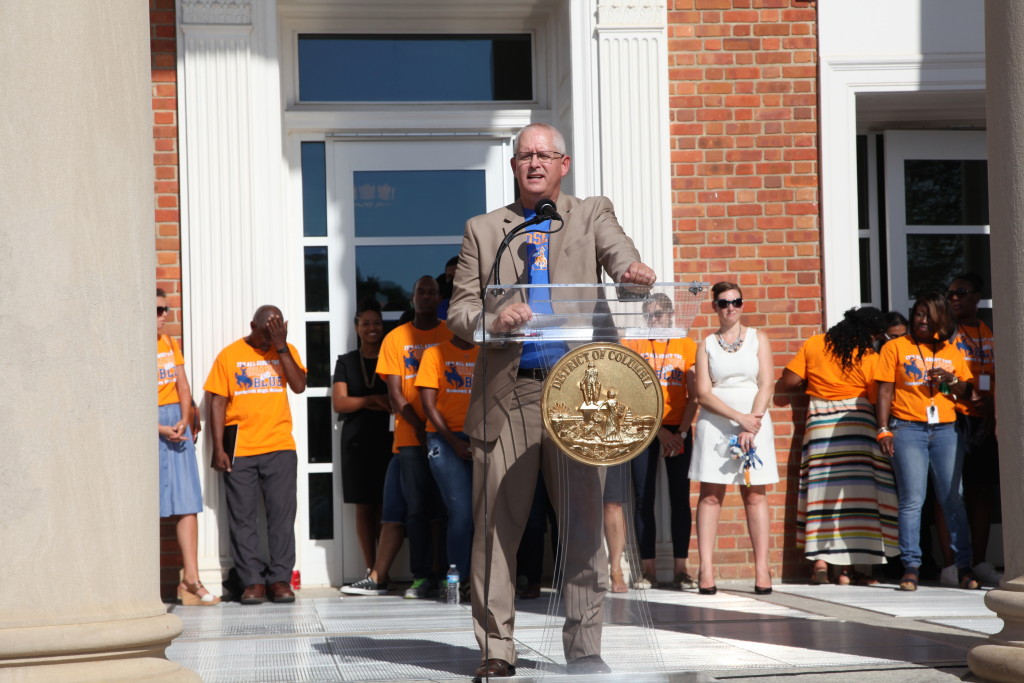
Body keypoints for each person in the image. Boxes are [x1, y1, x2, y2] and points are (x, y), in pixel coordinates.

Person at [446, 122, 656, 680]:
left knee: (585, 527)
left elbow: (620, 258)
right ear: (513, 166)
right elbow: (460, 315)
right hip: (509, 392)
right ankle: (497, 647)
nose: (535, 163)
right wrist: (493, 318)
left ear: (564, 164)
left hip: (581, 393)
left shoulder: (590, 214)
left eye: (546, 155)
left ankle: (585, 647)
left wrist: (633, 276)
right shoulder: (485, 230)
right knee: (496, 529)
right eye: (525, 156)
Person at [777, 307, 898, 585]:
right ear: (871, 333)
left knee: (822, 496)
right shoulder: (870, 356)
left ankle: (821, 563)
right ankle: (855, 570)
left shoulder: (815, 344)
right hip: (858, 425)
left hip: (821, 425)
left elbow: (790, 381)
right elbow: (875, 395)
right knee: (859, 499)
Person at [874, 291, 979, 592]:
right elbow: (884, 391)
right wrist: (883, 429)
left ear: (941, 318)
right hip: (907, 428)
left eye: (928, 315)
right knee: (912, 500)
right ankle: (911, 567)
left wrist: (950, 378)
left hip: (946, 429)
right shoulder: (896, 347)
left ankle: (964, 567)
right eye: (918, 313)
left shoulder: (952, 351)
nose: (921, 320)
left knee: (953, 499)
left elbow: (967, 392)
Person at [205, 305, 307, 604]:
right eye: (264, 335)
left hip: (279, 446)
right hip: (241, 448)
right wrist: (218, 448)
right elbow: (217, 402)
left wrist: (281, 346)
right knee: (243, 518)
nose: (267, 342)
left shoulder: (284, 350)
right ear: (252, 325)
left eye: (273, 335)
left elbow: (299, 386)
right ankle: (252, 582)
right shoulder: (229, 355)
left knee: (281, 517)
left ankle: (279, 580)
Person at [605, 294, 699, 592]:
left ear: (671, 315)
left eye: (659, 314)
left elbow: (695, 395)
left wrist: (680, 434)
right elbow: (628, 392)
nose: (654, 319)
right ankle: (647, 571)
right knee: (643, 499)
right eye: (650, 314)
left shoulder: (687, 344)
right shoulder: (634, 343)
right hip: (644, 426)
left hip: (679, 428)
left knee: (679, 499)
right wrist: (659, 432)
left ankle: (681, 569)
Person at [689, 282, 778, 595]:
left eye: (736, 302)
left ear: (742, 305)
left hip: (755, 419)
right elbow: (702, 393)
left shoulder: (759, 339)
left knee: (755, 494)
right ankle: (706, 569)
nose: (731, 308)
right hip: (717, 421)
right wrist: (737, 419)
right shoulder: (706, 344)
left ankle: (762, 568)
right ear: (714, 306)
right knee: (710, 494)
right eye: (724, 303)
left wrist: (750, 422)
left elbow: (767, 383)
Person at [376, 275, 449, 599]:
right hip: (409, 438)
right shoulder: (395, 338)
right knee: (417, 509)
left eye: (432, 291)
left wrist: (438, 429)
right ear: (412, 297)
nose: (426, 296)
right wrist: (420, 427)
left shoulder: (450, 333)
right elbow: (394, 393)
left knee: (449, 508)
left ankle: (447, 573)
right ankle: (421, 577)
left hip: (448, 436)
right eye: (421, 291)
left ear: (439, 298)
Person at [156, 289, 218, 606]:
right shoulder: (130, 345)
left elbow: (182, 383)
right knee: (145, 507)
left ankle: (191, 580)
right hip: (149, 425)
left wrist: (184, 417)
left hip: (175, 422)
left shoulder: (169, 343)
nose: (163, 316)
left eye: (165, 310)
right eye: (157, 310)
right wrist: (155, 427)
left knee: (187, 501)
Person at [947, 274, 1001, 585]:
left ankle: (979, 561)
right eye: (950, 294)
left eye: (961, 293)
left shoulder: (988, 331)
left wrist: (990, 401)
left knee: (982, 491)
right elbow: (937, 378)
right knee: (953, 492)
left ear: (977, 296)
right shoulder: (946, 335)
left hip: (986, 417)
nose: (954, 298)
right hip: (954, 417)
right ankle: (955, 562)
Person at [332, 299, 392, 576]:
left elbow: (394, 402)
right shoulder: (345, 362)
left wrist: (370, 401)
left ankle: (383, 570)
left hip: (388, 439)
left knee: (386, 504)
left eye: (376, 322)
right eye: (366, 323)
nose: (372, 328)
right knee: (363, 506)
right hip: (356, 441)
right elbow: (340, 404)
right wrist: (372, 399)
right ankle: (370, 568)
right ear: (357, 327)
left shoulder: (391, 357)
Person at [416, 333, 479, 594]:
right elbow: (429, 406)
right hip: (445, 440)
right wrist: (454, 442)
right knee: (461, 512)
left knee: (485, 514)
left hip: (481, 438)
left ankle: (482, 580)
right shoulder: (434, 353)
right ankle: (458, 580)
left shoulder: (484, 352)